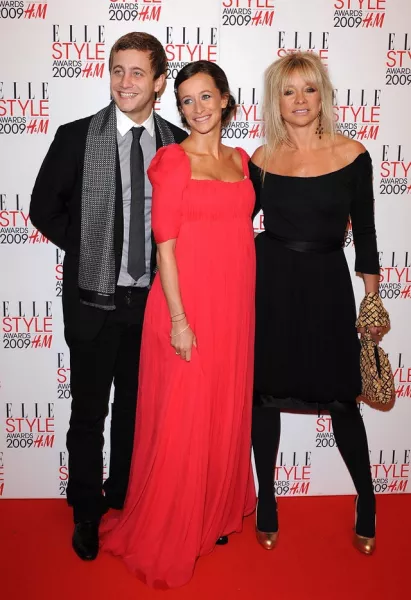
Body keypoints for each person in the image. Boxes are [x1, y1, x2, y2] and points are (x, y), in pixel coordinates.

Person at [29, 32, 187, 561]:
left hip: (152, 307)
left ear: (159, 81)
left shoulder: (176, 144)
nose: (125, 81)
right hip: (94, 302)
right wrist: (90, 248)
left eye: (138, 72)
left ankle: (122, 495)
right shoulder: (77, 137)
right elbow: (42, 208)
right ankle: (85, 511)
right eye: (118, 70)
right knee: (89, 412)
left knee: (136, 412)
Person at [100, 60, 256, 588]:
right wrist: (181, 320)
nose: (197, 108)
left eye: (206, 97)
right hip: (184, 308)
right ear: (179, 107)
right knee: (184, 418)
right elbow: (164, 248)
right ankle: (174, 522)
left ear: (226, 99)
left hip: (234, 308)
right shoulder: (171, 161)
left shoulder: (242, 160)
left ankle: (212, 514)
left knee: (222, 408)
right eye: (187, 100)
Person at [249, 52, 386, 555]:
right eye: (289, 91)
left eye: (309, 89)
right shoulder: (260, 162)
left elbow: (367, 237)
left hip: (328, 285)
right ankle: (267, 500)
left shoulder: (353, 155)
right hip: (273, 287)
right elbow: (229, 223)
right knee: (263, 396)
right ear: (276, 101)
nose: (300, 100)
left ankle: (367, 500)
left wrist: (372, 306)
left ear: (323, 95)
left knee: (342, 399)